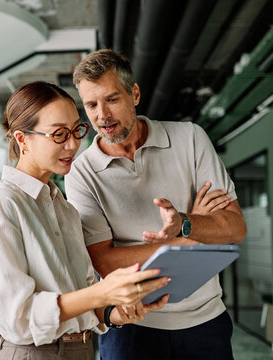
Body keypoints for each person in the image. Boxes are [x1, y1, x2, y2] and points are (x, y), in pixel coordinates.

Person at [65, 49, 247, 360]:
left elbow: (235, 228)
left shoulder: (189, 139)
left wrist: (184, 221)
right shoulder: (81, 173)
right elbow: (105, 263)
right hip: (132, 326)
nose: (102, 116)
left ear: (134, 94)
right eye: (91, 105)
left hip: (204, 320)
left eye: (112, 99)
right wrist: (188, 237)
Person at [0, 81, 172, 360]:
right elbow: (17, 317)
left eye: (76, 130)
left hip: (82, 349)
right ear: (22, 139)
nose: (73, 144)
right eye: (59, 134)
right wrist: (102, 293)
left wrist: (114, 312)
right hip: (33, 353)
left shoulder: (65, 210)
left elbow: (82, 292)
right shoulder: (1, 207)